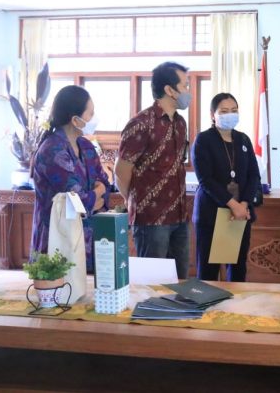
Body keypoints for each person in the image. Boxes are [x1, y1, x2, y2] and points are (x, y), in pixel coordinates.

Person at [115, 62, 190, 279]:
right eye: (185, 86)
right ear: (169, 90)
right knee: (152, 284)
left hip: (179, 215)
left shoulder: (180, 123)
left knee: (179, 281)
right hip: (151, 220)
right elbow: (121, 171)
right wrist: (137, 201)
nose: (188, 91)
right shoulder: (141, 123)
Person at [31, 85, 109, 272]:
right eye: (90, 114)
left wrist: (98, 193)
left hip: (87, 239)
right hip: (57, 239)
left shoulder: (86, 145)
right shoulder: (53, 150)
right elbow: (77, 202)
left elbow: (105, 183)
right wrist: (97, 193)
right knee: (61, 287)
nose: (94, 119)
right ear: (75, 120)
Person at [191, 93, 260, 281]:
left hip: (240, 214)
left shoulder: (243, 139)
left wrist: (243, 204)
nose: (230, 114)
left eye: (234, 110)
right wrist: (233, 205)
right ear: (212, 114)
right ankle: (209, 302)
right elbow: (205, 179)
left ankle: (234, 302)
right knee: (208, 272)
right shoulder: (203, 140)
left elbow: (253, 175)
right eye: (224, 111)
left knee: (237, 270)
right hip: (212, 213)